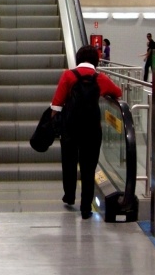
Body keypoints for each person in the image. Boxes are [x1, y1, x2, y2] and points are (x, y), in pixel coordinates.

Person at [50, 45, 122, 219]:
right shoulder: (100, 78)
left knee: (69, 163)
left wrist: (55, 123)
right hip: (92, 130)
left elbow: (56, 104)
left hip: (70, 128)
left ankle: (69, 196)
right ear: (96, 60)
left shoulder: (68, 75)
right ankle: (85, 208)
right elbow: (118, 92)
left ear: (78, 58)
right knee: (89, 169)